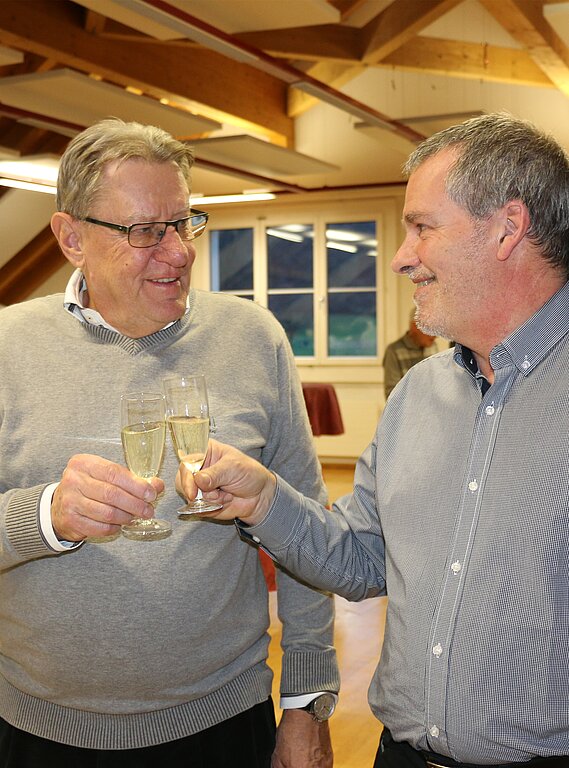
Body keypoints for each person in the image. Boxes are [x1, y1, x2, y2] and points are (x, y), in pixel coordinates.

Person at [178, 113, 569, 767]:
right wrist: (261, 498)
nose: (399, 255)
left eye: (421, 226)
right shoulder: (417, 395)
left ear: (506, 227)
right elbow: (360, 560)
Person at [0, 118, 339, 767]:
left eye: (183, 223)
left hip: (222, 719)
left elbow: (306, 531)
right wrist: (44, 516)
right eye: (145, 231)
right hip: (38, 726)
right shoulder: (7, 346)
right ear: (71, 237)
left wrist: (307, 702)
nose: (180, 251)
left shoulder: (252, 337)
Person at [382, 312, 438, 399]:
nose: (435, 336)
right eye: (430, 330)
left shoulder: (432, 346)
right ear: (415, 326)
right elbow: (391, 395)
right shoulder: (393, 351)